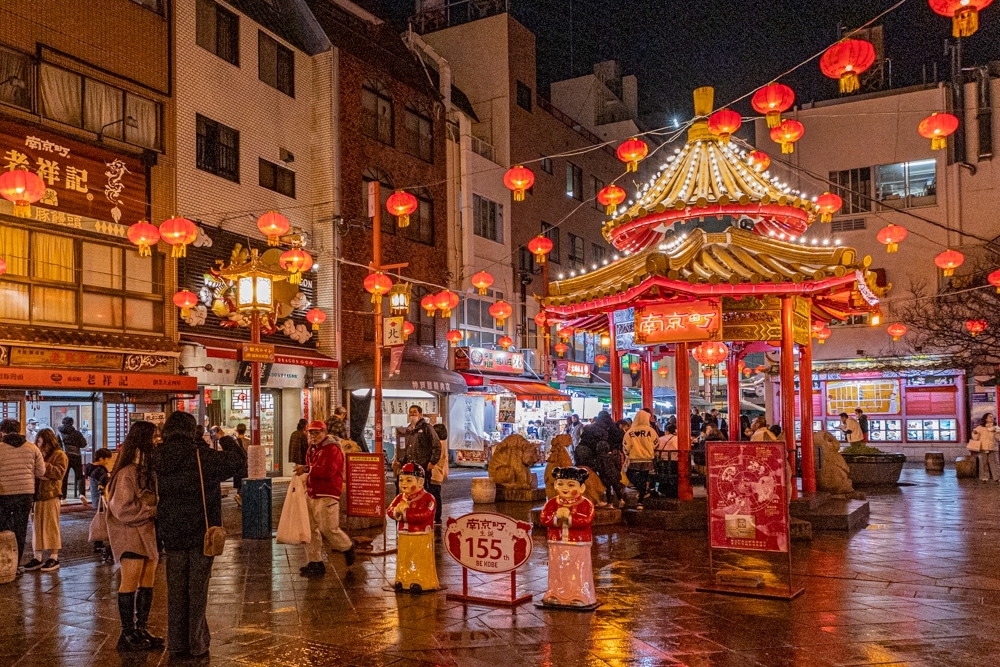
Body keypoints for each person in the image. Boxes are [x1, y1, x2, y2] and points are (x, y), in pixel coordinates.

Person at [152, 412, 246, 659]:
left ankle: (176, 643)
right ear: (192, 430)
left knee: (176, 590)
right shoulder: (201, 456)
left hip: (170, 531)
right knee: (197, 590)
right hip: (200, 532)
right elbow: (238, 462)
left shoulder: (159, 456)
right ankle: (196, 643)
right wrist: (223, 438)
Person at [105, 421, 161, 652]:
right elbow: (121, 508)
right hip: (130, 533)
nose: (158, 441)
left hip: (147, 533)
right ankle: (127, 632)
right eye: (155, 437)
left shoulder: (146, 471)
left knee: (147, 580)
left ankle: (141, 628)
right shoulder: (127, 472)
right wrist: (150, 509)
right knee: (130, 581)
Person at [296, 421, 356, 577]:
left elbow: (328, 471)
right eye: (311, 433)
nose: (314, 436)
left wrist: (307, 469)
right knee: (309, 529)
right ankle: (315, 562)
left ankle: (347, 546)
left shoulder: (332, 449)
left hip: (327, 494)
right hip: (312, 492)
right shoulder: (312, 449)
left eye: (317, 432)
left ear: (325, 432)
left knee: (328, 528)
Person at [0, 419, 46, 573]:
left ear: (2, 431)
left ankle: (3, 563)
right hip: (26, 493)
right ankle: (15, 565)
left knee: (3, 528)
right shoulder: (32, 448)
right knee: (20, 529)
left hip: (4, 494)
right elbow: (41, 472)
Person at [387, 463, 438, 593]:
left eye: (409, 480)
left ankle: (421, 580)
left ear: (420, 482)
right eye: (402, 480)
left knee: (419, 558)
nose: (404, 483)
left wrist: (404, 513)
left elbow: (424, 515)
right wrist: (397, 511)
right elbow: (389, 510)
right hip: (404, 534)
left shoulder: (428, 498)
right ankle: (403, 579)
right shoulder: (400, 497)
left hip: (421, 535)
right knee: (404, 557)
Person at [21, 429, 67, 573]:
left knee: (51, 526)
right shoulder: (38, 454)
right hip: (36, 495)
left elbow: (59, 473)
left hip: (51, 494)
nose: (37, 444)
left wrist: (43, 466)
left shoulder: (59, 455)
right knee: (37, 527)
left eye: (39, 441)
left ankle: (54, 556)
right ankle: (38, 557)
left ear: (47, 441)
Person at [623, 410, 658, 510]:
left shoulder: (630, 432)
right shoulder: (651, 431)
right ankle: (640, 501)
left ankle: (641, 493)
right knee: (644, 477)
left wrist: (628, 455)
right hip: (647, 458)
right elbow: (656, 443)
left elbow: (626, 446)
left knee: (630, 474)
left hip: (634, 459)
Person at [400, 406, 441, 487]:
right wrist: (401, 461)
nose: (412, 414)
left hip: (423, 465)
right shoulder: (408, 429)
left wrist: (432, 462)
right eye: (410, 412)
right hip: (410, 466)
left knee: (423, 488)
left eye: (415, 412)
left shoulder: (427, 427)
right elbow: (405, 447)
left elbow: (436, 445)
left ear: (420, 415)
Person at [87, 448, 115, 560]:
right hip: (101, 498)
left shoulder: (90, 468)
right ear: (101, 458)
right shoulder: (100, 470)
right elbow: (105, 484)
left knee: (99, 519)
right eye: (107, 459)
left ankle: (98, 542)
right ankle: (99, 542)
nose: (108, 461)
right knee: (103, 520)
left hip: (95, 498)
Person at [59, 417, 87, 500]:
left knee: (64, 476)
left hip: (64, 457)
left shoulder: (60, 434)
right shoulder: (77, 433)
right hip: (76, 456)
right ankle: (82, 494)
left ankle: (63, 496)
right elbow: (83, 444)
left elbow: (57, 446)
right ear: (72, 423)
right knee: (80, 476)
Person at [970, 413, 999, 483]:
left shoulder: (996, 428)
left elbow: (998, 439)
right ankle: (984, 477)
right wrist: (975, 433)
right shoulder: (980, 428)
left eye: (992, 417)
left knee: (995, 463)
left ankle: (997, 477)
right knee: (983, 463)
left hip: (993, 448)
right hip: (983, 447)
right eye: (990, 417)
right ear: (986, 419)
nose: (992, 418)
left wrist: (997, 433)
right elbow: (975, 438)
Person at [430, 423, 448, 524]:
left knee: (435, 497)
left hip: (434, 474)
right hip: (438, 475)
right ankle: (437, 517)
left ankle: (437, 517)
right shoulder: (442, 444)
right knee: (436, 496)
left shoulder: (438, 445)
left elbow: (435, 459)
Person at [232, 423, 249, 504]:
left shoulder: (234, 442)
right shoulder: (249, 441)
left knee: (238, 481)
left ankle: (239, 495)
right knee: (245, 480)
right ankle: (241, 497)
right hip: (246, 464)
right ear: (245, 431)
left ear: (237, 430)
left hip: (237, 464)